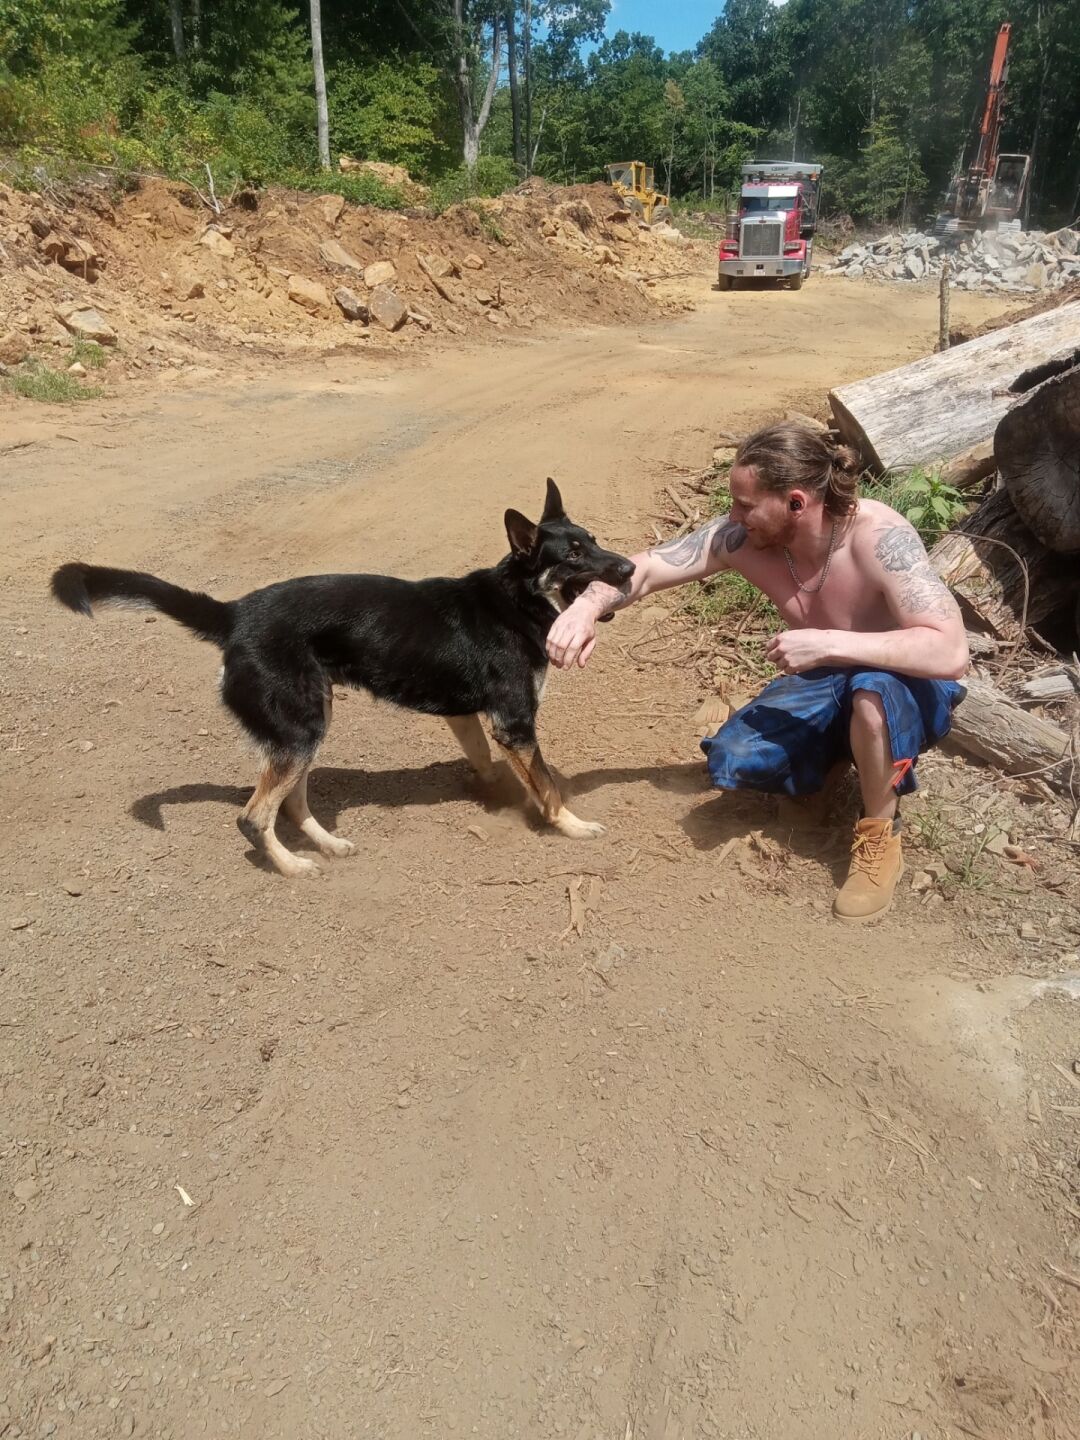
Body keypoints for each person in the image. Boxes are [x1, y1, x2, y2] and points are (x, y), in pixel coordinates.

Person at [546, 422, 969, 923]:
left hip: (906, 683)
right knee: (737, 758)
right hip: (829, 677)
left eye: (745, 505)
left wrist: (828, 642)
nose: (733, 516)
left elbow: (950, 651)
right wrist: (587, 606)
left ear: (795, 502)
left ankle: (879, 834)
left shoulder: (878, 538)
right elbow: (652, 567)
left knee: (872, 698)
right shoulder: (745, 539)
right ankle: (834, 763)